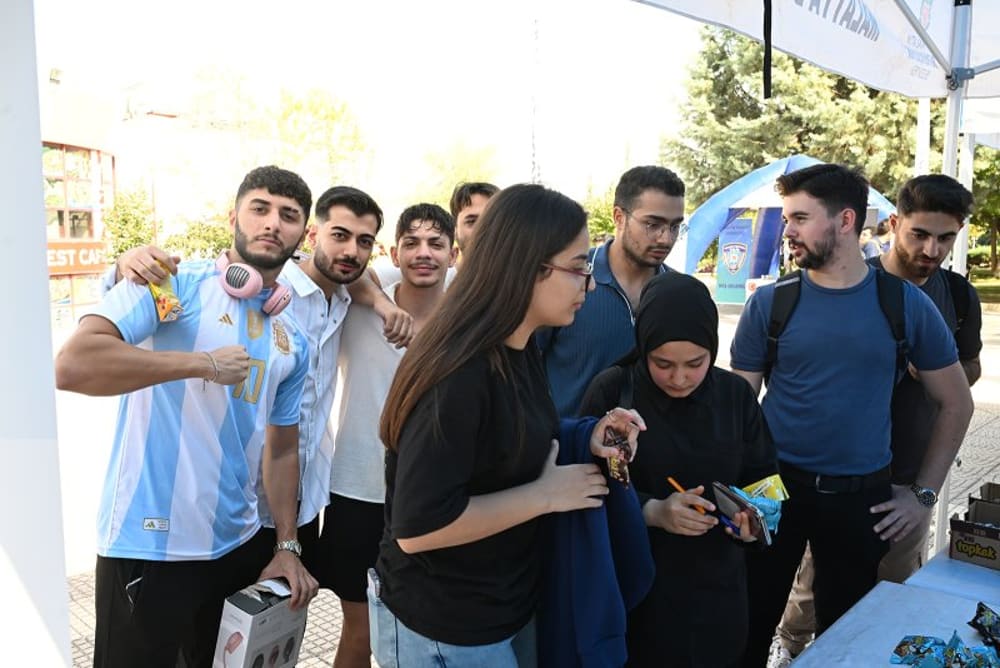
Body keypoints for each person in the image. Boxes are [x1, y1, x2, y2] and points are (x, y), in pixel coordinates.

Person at [368, 184, 645, 667]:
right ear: (529, 266)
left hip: (507, 604)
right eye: (580, 267)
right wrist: (547, 495)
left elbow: (507, 436)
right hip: (447, 625)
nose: (591, 283)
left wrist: (587, 435)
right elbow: (419, 526)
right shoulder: (458, 373)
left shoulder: (519, 347)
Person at [55, 165, 320, 667]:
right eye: (259, 209)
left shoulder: (293, 337)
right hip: (149, 547)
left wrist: (288, 543)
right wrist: (200, 363)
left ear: (302, 234)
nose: (272, 224)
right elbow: (72, 365)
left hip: (238, 546)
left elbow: (283, 450)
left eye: (288, 216)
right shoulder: (169, 284)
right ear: (233, 218)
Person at [729, 163, 974, 667]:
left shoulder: (905, 304)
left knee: (848, 641)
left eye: (799, 218)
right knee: (746, 632)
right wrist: (733, 490)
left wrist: (924, 496)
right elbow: (733, 413)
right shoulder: (772, 304)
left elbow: (957, 402)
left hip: (860, 497)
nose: (788, 230)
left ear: (844, 221)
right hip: (773, 490)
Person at [105, 186, 401, 559]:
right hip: (235, 509)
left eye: (364, 241)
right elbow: (138, 294)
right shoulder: (264, 289)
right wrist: (124, 263)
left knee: (283, 616)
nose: (350, 250)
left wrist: (381, 303)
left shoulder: (345, 295)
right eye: (339, 235)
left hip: (302, 504)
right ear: (311, 236)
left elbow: (363, 271)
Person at [580, 272, 776, 668]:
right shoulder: (614, 393)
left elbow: (767, 481)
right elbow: (584, 487)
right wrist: (652, 511)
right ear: (643, 346)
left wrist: (753, 520)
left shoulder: (734, 396)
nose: (680, 378)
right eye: (663, 363)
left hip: (718, 591)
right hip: (637, 590)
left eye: (696, 363)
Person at [312, 203, 457, 668]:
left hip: (437, 495)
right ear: (394, 253)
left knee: (425, 630)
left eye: (436, 244)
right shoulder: (361, 303)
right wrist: (381, 303)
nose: (424, 254)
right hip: (358, 491)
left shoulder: (468, 313)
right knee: (361, 631)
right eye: (411, 243)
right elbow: (336, 268)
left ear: (453, 254)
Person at [539, 165, 686, 417]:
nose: (666, 238)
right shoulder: (567, 278)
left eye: (675, 226)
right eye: (653, 224)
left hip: (648, 451)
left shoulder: (680, 294)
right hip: (567, 449)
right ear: (619, 217)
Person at [451, 181, 500, 260]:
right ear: (455, 231)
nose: (483, 228)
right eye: (472, 221)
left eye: (492, 220)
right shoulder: (440, 272)